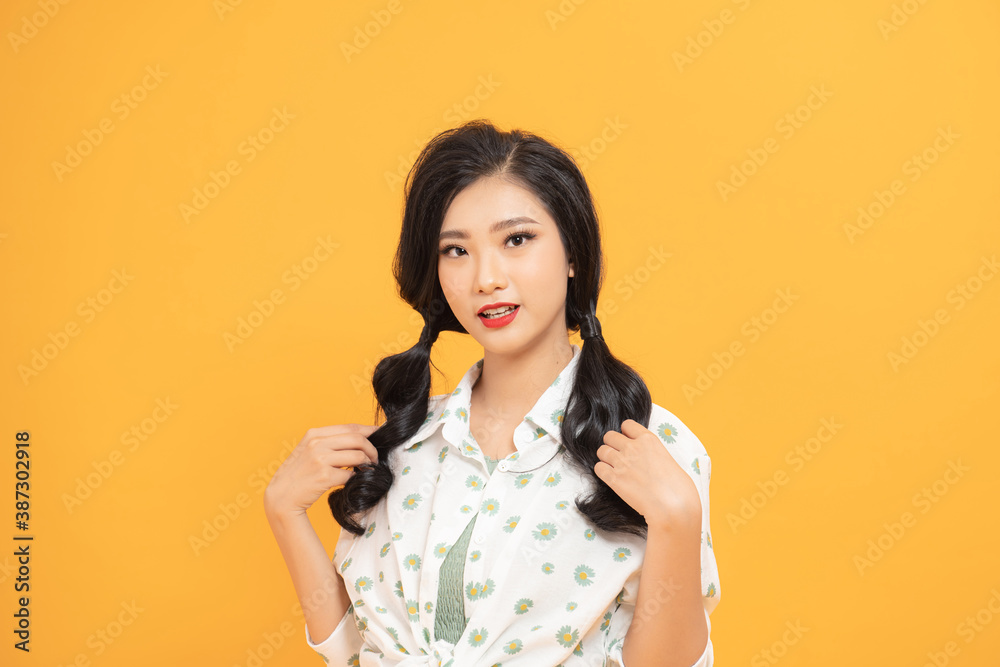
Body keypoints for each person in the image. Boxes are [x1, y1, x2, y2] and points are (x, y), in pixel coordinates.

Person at [264, 119, 720, 666]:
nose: (486, 278)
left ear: (572, 253)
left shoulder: (649, 445)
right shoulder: (406, 444)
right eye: (456, 251)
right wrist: (284, 511)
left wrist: (677, 519)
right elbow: (351, 650)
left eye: (517, 240)